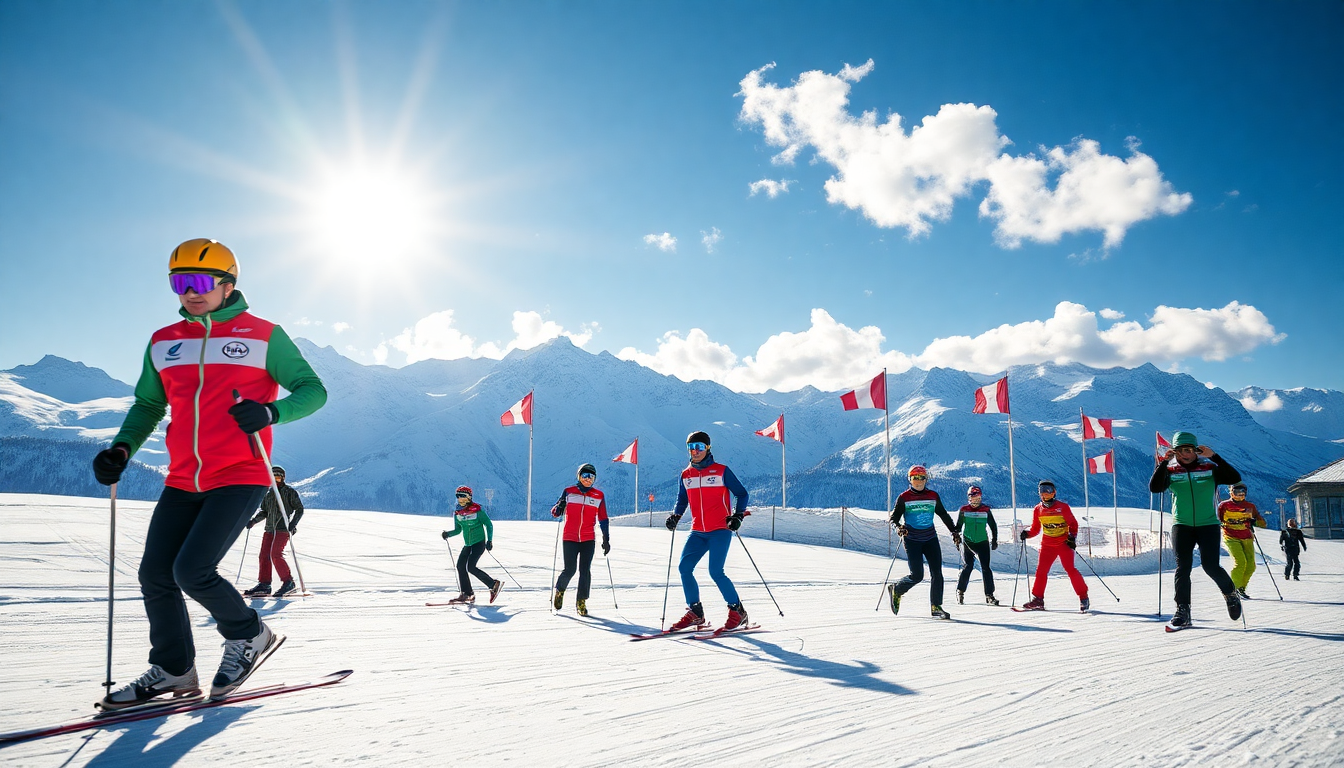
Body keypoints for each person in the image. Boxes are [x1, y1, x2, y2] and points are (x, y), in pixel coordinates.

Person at [90, 238, 327, 709]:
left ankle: (250, 634)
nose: (189, 292)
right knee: (155, 573)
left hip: (241, 472)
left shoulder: (263, 335)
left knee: (192, 570)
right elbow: (148, 405)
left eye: (199, 282)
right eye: (179, 283)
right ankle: (175, 668)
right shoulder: (164, 341)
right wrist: (122, 447)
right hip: (182, 477)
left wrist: (271, 412)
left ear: (228, 284)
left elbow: (313, 390)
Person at [1149, 431, 1243, 628]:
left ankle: (1230, 594)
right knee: (1183, 568)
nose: (1186, 454)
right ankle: (1182, 610)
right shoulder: (1171, 470)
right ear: (1175, 452)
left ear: (1196, 450)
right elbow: (1155, 488)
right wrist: (1164, 463)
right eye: (1181, 450)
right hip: (1182, 525)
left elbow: (1235, 477)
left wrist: (1214, 456)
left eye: (1190, 449)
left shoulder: (1209, 467)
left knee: (1211, 566)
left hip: (1208, 524)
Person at [665, 431, 750, 633]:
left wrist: (737, 516)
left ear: (708, 448)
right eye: (692, 447)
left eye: (700, 447)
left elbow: (742, 493)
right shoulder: (686, 475)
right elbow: (682, 500)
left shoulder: (721, 471)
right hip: (698, 531)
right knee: (685, 568)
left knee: (715, 572)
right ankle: (696, 613)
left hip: (720, 529)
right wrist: (676, 516)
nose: (695, 451)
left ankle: (737, 611)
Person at [888, 465, 961, 620]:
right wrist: (899, 528)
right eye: (915, 478)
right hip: (912, 540)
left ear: (926, 479)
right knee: (917, 575)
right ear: (910, 480)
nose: (918, 481)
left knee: (937, 574)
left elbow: (942, 513)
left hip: (930, 538)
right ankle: (897, 589)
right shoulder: (904, 497)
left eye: (921, 477)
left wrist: (954, 531)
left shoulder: (933, 496)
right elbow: (893, 519)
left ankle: (936, 607)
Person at [1018, 480, 1090, 612]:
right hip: (1047, 545)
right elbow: (1035, 529)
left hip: (1063, 543)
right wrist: (1026, 534)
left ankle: (1083, 597)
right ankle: (1038, 599)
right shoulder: (1038, 509)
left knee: (1070, 569)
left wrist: (1072, 537)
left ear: (1054, 492)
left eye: (1048, 491)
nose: (1045, 494)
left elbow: (1073, 524)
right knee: (1041, 571)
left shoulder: (1063, 507)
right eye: (1042, 491)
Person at [551, 463, 611, 617]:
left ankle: (581, 602)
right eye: (585, 476)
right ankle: (560, 591)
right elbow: (556, 513)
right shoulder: (569, 492)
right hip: (570, 537)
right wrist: (559, 507)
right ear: (579, 476)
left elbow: (603, 518)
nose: (588, 479)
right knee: (570, 570)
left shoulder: (598, 495)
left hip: (588, 538)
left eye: (591, 477)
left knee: (585, 571)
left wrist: (606, 538)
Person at [243, 465, 305, 598]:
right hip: (269, 529)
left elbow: (299, 509)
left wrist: (293, 523)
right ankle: (265, 584)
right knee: (263, 555)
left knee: (275, 554)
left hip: (282, 529)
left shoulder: (289, 492)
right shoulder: (270, 494)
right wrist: (254, 521)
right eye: (273, 478)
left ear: (283, 478)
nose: (275, 481)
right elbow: (264, 511)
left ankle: (288, 582)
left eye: (277, 478)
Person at [441, 486, 501, 604]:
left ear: (469, 497)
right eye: (458, 496)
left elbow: (488, 525)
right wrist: (448, 534)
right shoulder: (458, 513)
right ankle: (467, 593)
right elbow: (458, 530)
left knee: (471, 567)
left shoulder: (477, 510)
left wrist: (489, 541)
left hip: (478, 543)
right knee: (460, 566)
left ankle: (493, 584)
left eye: (463, 496)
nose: (460, 499)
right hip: (468, 544)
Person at [1217, 482, 1266, 599]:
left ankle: (1241, 588)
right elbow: (1217, 520)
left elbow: (1262, 523)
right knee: (1240, 562)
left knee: (1251, 566)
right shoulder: (1223, 506)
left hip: (1247, 537)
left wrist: (1255, 521)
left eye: (1242, 492)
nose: (1239, 495)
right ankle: (1232, 589)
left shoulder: (1250, 506)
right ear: (1231, 492)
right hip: (1230, 536)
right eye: (1236, 492)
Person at [954, 485, 999, 606]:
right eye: (973, 497)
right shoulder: (964, 510)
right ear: (969, 498)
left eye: (978, 497)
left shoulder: (986, 510)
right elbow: (958, 526)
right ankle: (960, 591)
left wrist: (994, 539)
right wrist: (956, 535)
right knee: (968, 566)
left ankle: (989, 595)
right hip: (968, 542)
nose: (976, 500)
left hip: (982, 542)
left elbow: (993, 525)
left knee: (986, 568)